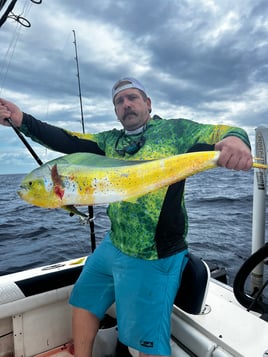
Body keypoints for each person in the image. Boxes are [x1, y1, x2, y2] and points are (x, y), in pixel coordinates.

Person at [0, 77, 253, 357]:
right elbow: (67, 140)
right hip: (115, 244)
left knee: (145, 342)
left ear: (148, 103)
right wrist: (22, 120)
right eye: (119, 101)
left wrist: (235, 140)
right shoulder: (110, 141)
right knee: (83, 301)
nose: (126, 104)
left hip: (154, 254)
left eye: (132, 97)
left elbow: (223, 130)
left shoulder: (175, 131)